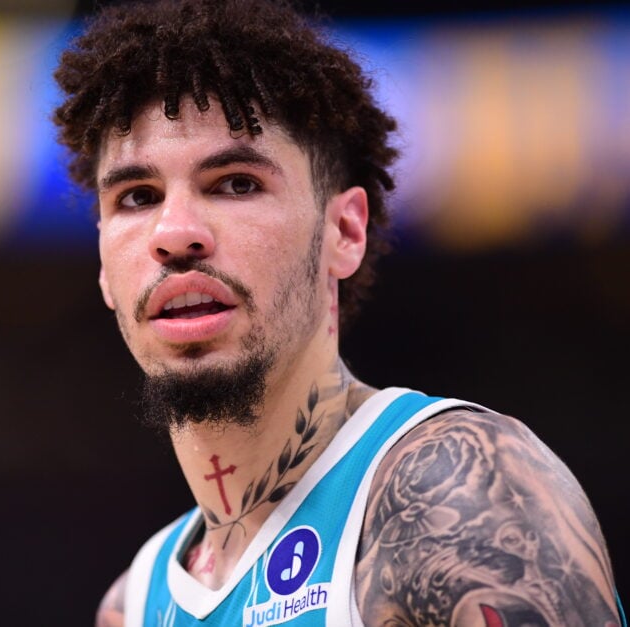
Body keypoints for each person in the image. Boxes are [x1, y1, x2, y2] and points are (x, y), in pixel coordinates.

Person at [52, 0, 625, 625]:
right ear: (105, 267)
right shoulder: (132, 605)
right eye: (138, 196)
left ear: (344, 231)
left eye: (236, 183)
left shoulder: (456, 495)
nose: (176, 233)